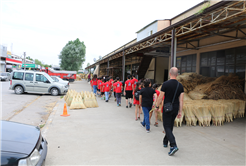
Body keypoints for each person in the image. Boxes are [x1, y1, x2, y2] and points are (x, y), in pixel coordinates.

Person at [155, 67, 184, 156]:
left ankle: (173, 145)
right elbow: (181, 100)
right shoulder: (180, 85)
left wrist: (157, 105)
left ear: (170, 74)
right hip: (175, 108)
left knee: (166, 126)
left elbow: (160, 97)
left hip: (167, 107)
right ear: (177, 75)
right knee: (170, 125)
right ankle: (165, 141)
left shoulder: (165, 84)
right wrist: (180, 111)